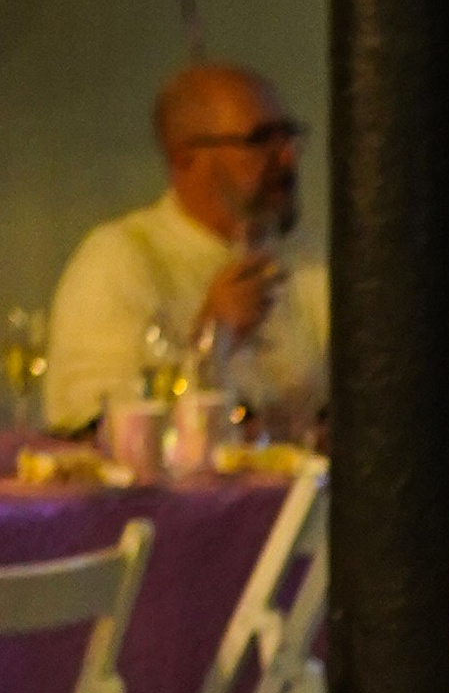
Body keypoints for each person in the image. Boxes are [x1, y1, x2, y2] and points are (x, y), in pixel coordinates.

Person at [45, 62, 328, 432]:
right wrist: (212, 339)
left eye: (288, 136)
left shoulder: (310, 259)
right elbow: (90, 425)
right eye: (260, 140)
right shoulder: (120, 259)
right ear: (185, 157)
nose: (288, 157)